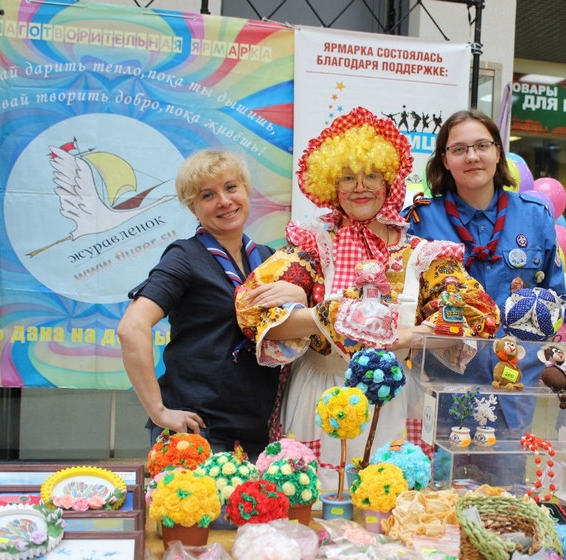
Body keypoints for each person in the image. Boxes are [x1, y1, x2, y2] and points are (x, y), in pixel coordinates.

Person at [235, 107, 499, 490]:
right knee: (317, 500)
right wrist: (323, 316)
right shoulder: (311, 248)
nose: (360, 187)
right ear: (332, 185)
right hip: (320, 397)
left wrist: (404, 338)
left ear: (389, 181)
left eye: (371, 175)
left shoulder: (421, 256)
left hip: (395, 398)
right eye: (347, 177)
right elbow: (251, 309)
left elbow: (477, 314)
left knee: (390, 505)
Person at [117, 150, 305, 457]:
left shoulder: (271, 260)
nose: (224, 201)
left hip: (260, 432)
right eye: (208, 195)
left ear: (246, 190)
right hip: (198, 432)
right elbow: (131, 328)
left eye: (231, 187)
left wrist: (300, 298)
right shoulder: (185, 257)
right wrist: (159, 412)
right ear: (193, 207)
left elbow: (299, 333)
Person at [402, 109, 566, 434]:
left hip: (513, 392)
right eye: (459, 149)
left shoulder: (535, 217)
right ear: (445, 159)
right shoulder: (419, 222)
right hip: (438, 390)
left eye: (482, 146)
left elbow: (556, 300)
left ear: (498, 152)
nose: (472, 156)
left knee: (508, 470)